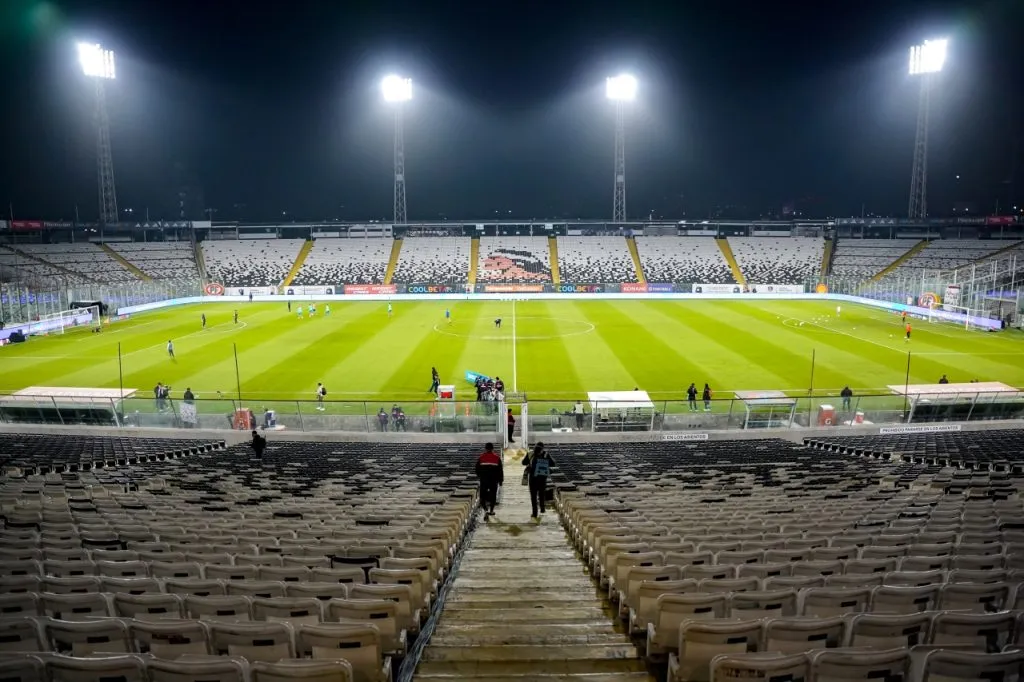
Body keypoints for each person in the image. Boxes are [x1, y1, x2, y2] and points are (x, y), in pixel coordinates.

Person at [523, 442, 555, 519]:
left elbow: (523, 462)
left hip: (533, 478)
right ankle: (542, 508)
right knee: (541, 493)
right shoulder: (546, 454)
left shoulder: (530, 454)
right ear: (542, 448)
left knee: (533, 496)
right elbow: (553, 464)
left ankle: (534, 513)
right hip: (542, 477)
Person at [475, 443, 503, 518]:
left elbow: (477, 469)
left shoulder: (481, 457)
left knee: (482, 496)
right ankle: (491, 510)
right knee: (493, 496)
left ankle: (485, 510)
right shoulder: (497, 458)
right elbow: (500, 470)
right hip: (494, 480)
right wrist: (500, 481)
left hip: (484, 480)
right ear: (492, 449)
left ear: (486, 448)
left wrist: (480, 476)